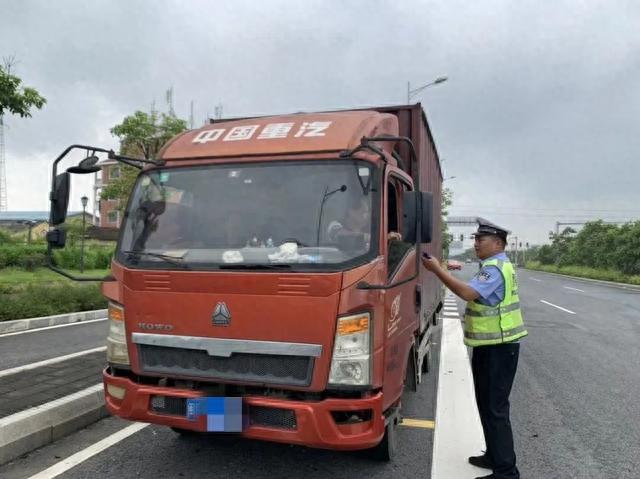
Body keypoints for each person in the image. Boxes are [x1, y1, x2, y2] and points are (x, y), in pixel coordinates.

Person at [421, 220, 527, 479]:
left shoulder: (494, 268)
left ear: (498, 244)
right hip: (491, 347)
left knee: (495, 409)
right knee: (487, 405)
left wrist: (437, 270)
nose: (476, 243)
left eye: (482, 239)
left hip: (499, 349)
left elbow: (467, 293)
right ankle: (494, 455)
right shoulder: (496, 265)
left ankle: (506, 471)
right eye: (476, 238)